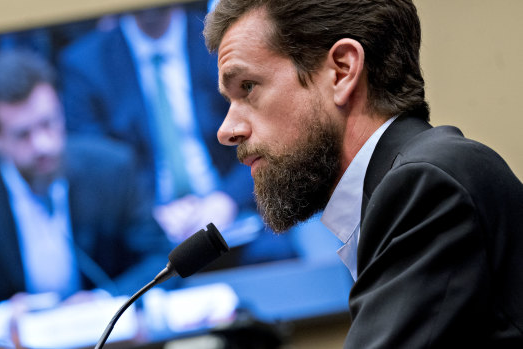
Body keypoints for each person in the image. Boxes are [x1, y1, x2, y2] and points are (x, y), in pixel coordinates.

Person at [203, 0, 523, 348]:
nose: (227, 130)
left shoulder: (429, 184)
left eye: (248, 87)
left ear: (342, 71)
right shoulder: (410, 184)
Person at [0, 50, 172, 342]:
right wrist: (1, 316)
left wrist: (106, 300)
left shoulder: (111, 168)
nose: (43, 145)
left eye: (49, 123)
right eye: (23, 134)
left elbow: (159, 259)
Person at [58, 3, 282, 258]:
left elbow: (268, 134)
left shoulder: (227, 42)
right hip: (145, 227)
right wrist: (149, 212)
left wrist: (226, 200)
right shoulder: (86, 64)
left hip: (232, 211)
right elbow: (92, 164)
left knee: (277, 254)